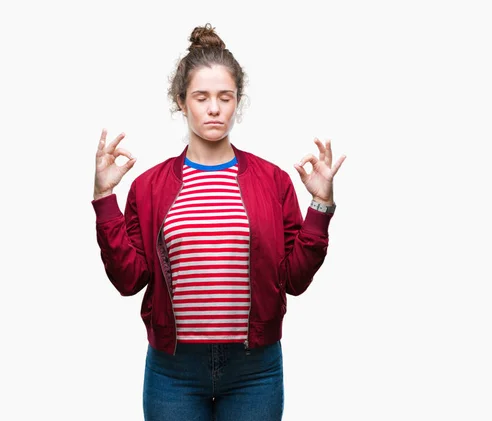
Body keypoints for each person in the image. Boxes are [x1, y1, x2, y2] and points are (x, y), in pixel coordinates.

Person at [91, 23, 345, 420]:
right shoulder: (149, 187)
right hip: (173, 371)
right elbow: (128, 279)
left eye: (225, 97)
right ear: (182, 101)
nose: (214, 109)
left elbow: (294, 280)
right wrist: (105, 199)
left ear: (237, 101)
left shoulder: (273, 181)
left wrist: (320, 204)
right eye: (201, 97)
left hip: (254, 370)